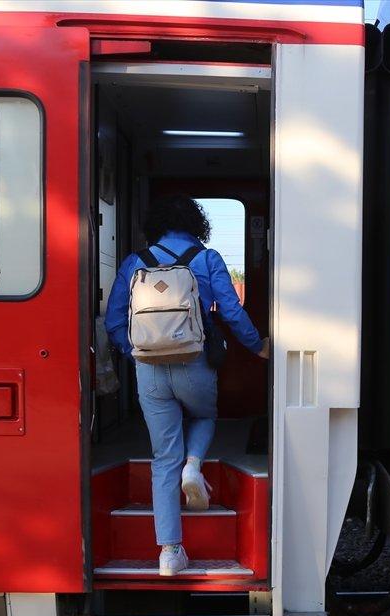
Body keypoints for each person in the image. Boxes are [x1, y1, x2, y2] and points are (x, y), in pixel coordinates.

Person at [105, 196, 269, 577]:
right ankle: (193, 466)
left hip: (148, 368)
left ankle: (170, 552)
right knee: (205, 415)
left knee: (164, 456)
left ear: (156, 225)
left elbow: (114, 318)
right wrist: (256, 344)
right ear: (195, 224)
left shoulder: (135, 262)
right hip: (194, 361)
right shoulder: (206, 258)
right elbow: (231, 311)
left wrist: (135, 354)